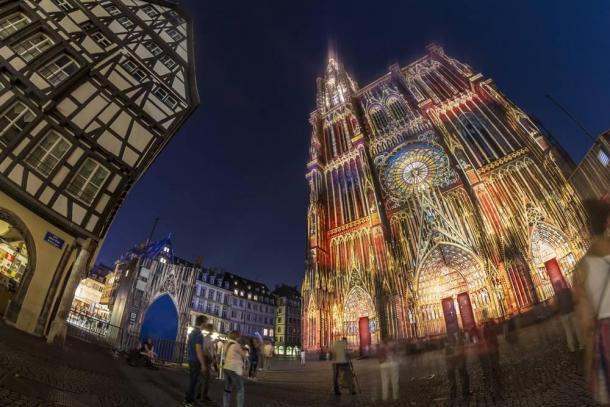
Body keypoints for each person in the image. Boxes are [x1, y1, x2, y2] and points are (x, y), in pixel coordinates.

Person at [573, 199, 610, 404]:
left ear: (586, 230)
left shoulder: (581, 269)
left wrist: (590, 363)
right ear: (607, 222)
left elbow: (587, 323)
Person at [184, 315, 207, 407]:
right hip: (195, 360)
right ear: (202, 323)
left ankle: (191, 399)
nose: (206, 324)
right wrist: (203, 364)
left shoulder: (192, 332)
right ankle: (188, 401)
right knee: (194, 381)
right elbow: (198, 350)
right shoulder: (199, 334)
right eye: (206, 322)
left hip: (190, 359)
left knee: (193, 380)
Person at [478, 311, 501, 398]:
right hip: (491, 346)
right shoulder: (487, 327)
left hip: (491, 346)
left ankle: (495, 371)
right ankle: (495, 372)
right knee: (494, 360)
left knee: (494, 359)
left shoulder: (486, 327)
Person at [445, 330, 471, 402]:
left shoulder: (455, 340)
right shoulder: (452, 341)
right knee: (459, 376)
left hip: (456, 360)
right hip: (454, 361)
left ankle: (461, 392)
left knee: (462, 375)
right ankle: (460, 393)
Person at [222, 330, 246, 407]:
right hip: (234, 368)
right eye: (239, 336)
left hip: (226, 367)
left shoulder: (226, 344)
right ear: (237, 337)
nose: (240, 337)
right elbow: (244, 355)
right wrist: (244, 351)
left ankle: (225, 405)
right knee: (240, 389)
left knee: (227, 388)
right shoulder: (236, 345)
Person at [556, 286, 583, 352]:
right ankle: (581, 344)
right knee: (577, 328)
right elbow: (574, 299)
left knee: (568, 331)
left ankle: (571, 347)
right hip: (571, 311)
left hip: (564, 315)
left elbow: (556, 305)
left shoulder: (557, 294)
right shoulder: (567, 290)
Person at [201, 323, 216, 402]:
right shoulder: (207, 339)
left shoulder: (206, 338)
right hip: (207, 359)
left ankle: (201, 394)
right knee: (206, 378)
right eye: (212, 329)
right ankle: (203, 395)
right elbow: (206, 350)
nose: (213, 330)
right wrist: (211, 358)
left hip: (206, 359)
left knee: (204, 378)